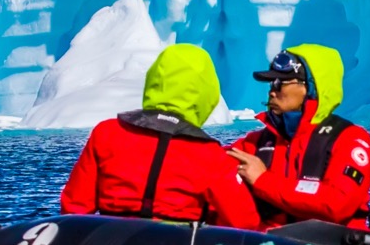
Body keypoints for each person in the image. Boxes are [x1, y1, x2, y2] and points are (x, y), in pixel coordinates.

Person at [62, 43, 262, 227]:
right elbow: (245, 224)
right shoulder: (213, 156)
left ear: (154, 81)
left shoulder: (107, 132)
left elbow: (75, 207)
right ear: (206, 94)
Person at [232, 44, 370, 229]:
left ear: (310, 87)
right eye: (271, 82)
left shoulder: (350, 139)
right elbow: (213, 169)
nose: (271, 91)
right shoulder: (255, 143)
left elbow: (337, 203)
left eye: (280, 83)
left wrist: (264, 181)